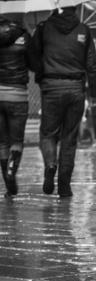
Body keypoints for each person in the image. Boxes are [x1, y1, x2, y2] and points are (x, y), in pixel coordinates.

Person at [30, 6, 96, 197]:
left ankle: (51, 164)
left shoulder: (44, 28)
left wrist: (41, 74)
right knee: (69, 139)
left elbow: (32, 55)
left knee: (47, 134)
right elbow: (92, 64)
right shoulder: (83, 29)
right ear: (76, 7)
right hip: (76, 88)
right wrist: (95, 91)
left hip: (51, 87)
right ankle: (64, 186)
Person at [0, 14, 33, 198]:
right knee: (16, 141)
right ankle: (12, 171)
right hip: (18, 95)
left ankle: (8, 184)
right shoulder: (23, 35)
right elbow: (33, 63)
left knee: (2, 142)